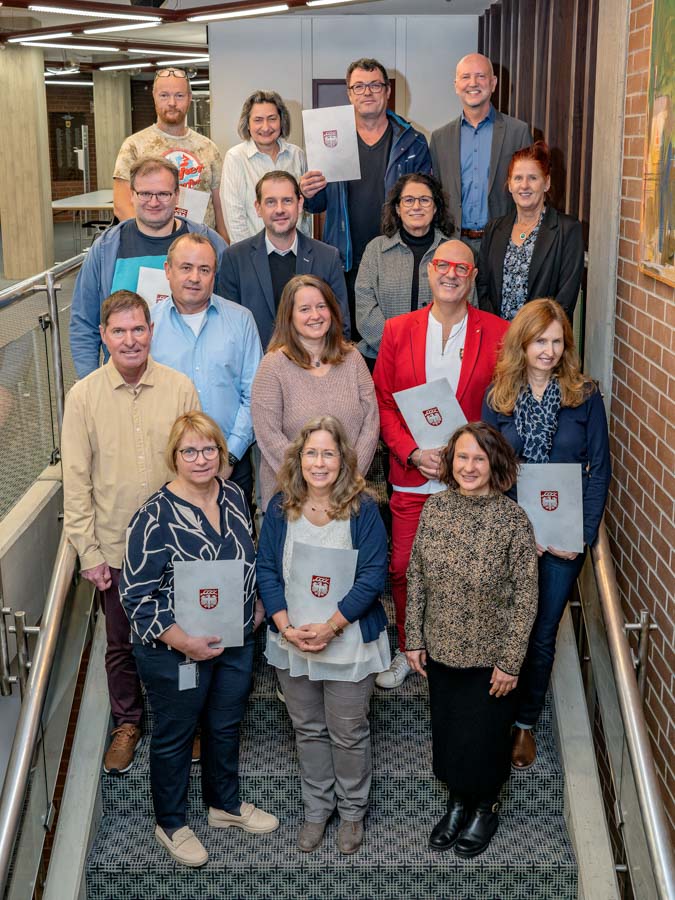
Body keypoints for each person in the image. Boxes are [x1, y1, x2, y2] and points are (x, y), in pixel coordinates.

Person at [119, 411, 278, 868]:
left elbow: (246, 556)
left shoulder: (232, 495)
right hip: (175, 650)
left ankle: (224, 805)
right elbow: (136, 595)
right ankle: (170, 822)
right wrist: (183, 640)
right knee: (175, 734)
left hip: (236, 639)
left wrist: (257, 605)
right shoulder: (153, 516)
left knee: (226, 725)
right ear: (174, 457)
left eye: (209, 448)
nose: (201, 458)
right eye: (190, 450)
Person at [62, 291, 199, 776]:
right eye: (118, 331)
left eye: (138, 328)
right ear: (103, 336)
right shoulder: (83, 398)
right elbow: (76, 482)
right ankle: (127, 723)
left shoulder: (180, 387)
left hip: (178, 548)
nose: (129, 339)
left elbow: (199, 464)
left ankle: (185, 720)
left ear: (151, 331)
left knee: (184, 639)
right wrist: (89, 552)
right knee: (120, 644)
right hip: (117, 550)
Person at [373, 239, 508, 689]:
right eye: (442, 265)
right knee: (402, 566)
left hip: (471, 478)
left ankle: (457, 654)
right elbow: (384, 402)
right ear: (429, 272)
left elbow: (503, 404)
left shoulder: (498, 332)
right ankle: (409, 645)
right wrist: (411, 452)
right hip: (414, 473)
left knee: (468, 571)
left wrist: (474, 459)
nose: (450, 274)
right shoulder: (398, 330)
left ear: (472, 277)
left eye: (461, 268)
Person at [482, 298, 611, 768]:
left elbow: (599, 469)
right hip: (513, 534)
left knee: (541, 631)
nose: (550, 350)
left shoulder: (585, 395)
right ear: (523, 341)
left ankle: (524, 724)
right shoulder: (499, 396)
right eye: (541, 340)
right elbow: (489, 473)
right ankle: (494, 712)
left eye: (558, 342)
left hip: (562, 538)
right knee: (502, 622)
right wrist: (515, 529)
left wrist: (581, 531)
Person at [256, 416, 389, 855]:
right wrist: (284, 627)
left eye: (328, 453)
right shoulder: (281, 508)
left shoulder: (364, 509)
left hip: (348, 641)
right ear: (298, 458)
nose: (319, 462)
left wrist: (331, 626)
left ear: (343, 459)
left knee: (347, 732)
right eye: (311, 452)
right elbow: (267, 571)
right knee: (308, 729)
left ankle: (352, 811)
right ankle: (317, 809)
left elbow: (373, 576)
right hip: (292, 640)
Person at [405, 423, 538, 858]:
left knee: (484, 739)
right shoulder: (435, 510)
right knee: (448, 734)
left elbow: (525, 597)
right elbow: (417, 577)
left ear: (494, 463)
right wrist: (413, 637)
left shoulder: (513, 519)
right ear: (450, 462)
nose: (469, 466)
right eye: (461, 457)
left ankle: (485, 805)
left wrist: (511, 662)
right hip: (441, 649)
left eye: (479, 458)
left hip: (491, 658)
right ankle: (458, 802)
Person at [301, 57, 431, 340]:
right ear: (349, 94)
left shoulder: (413, 141)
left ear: (387, 91)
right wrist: (308, 192)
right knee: (344, 342)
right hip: (345, 258)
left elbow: (427, 202)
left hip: (395, 257)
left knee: (392, 340)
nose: (367, 92)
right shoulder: (330, 139)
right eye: (358, 87)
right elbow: (317, 204)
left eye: (374, 85)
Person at [70, 157, 227, 379]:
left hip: (198, 376)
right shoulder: (107, 249)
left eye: (163, 194)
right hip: (127, 380)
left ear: (177, 196)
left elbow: (229, 312)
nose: (153, 202)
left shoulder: (209, 243)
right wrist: (91, 383)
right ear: (132, 195)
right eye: (145, 194)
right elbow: (84, 321)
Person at [150, 232, 262, 506]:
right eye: (185, 268)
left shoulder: (241, 320)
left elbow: (255, 395)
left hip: (232, 468)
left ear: (215, 274)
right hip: (167, 470)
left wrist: (230, 455)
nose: (194, 278)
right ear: (168, 270)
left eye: (204, 269)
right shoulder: (148, 327)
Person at [251, 274, 379, 511]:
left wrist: (345, 480)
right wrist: (314, 481)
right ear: (289, 316)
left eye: (321, 306)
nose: (315, 315)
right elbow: (268, 434)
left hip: (348, 495)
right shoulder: (273, 365)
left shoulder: (353, 359)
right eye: (305, 309)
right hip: (291, 498)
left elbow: (371, 423)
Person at [218, 171, 349, 348]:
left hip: (314, 369)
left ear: (300, 204)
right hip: (255, 369)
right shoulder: (234, 259)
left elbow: (341, 326)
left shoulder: (328, 257)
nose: (279, 210)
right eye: (270, 202)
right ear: (258, 208)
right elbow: (227, 329)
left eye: (287, 201)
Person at [429, 53, 531, 257]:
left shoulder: (517, 132)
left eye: (480, 76)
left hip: (504, 243)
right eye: (465, 77)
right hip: (455, 243)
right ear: (456, 85)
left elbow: (530, 193)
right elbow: (436, 195)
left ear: (493, 83)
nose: (473, 83)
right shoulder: (440, 138)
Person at [476, 142, 585, 321]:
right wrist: (498, 331)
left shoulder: (567, 230)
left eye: (533, 178)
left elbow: (565, 300)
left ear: (546, 183)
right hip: (498, 339)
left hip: (541, 340)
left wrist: (532, 337)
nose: (524, 185)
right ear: (510, 185)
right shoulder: (494, 229)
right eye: (518, 178)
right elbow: (482, 287)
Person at [113, 69, 227, 238]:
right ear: (154, 97)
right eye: (164, 95)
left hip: (201, 249)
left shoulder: (208, 148)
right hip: (153, 248)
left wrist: (224, 244)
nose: (172, 102)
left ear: (189, 98)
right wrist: (151, 239)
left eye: (179, 95)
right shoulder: (134, 146)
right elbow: (122, 205)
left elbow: (220, 207)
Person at [355, 172, 453, 365]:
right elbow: (365, 307)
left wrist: (431, 348)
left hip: (437, 359)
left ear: (435, 208)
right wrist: (396, 346)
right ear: (398, 208)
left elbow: (465, 307)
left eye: (424, 200)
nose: (416, 206)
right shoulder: (375, 250)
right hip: (381, 357)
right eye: (408, 200)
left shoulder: (452, 251)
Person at [219, 91, 311, 244]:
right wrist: (249, 256)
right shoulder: (235, 158)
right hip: (255, 254)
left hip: (296, 251)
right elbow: (235, 217)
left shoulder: (297, 155)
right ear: (247, 124)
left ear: (282, 121)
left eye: (272, 119)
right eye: (258, 120)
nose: (266, 127)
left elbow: (304, 214)